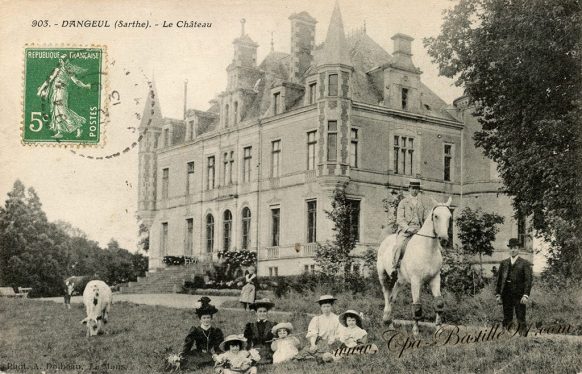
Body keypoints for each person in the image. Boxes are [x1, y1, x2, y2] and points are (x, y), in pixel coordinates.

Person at [390, 179, 436, 276]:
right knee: (399, 246)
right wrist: (408, 228)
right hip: (405, 231)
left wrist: (424, 229)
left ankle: (433, 267)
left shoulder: (421, 204)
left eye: (417, 189)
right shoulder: (403, 202)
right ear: (409, 189)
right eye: (413, 188)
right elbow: (400, 219)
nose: (415, 191)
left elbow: (424, 219)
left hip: (419, 231)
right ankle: (394, 266)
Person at [36, 58, 91, 138]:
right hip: (55, 92)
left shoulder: (69, 70)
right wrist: (41, 89)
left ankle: (78, 128)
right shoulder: (57, 70)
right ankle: (60, 131)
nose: (66, 62)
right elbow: (49, 80)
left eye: (66, 61)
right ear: (61, 62)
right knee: (56, 110)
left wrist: (85, 86)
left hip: (62, 92)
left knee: (63, 110)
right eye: (64, 61)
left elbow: (76, 81)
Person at [496, 238, 533, 335]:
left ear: (518, 249)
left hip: (519, 295)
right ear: (509, 249)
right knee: (507, 317)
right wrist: (498, 294)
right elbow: (499, 280)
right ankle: (507, 337)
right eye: (511, 248)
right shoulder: (504, 263)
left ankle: (523, 338)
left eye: (515, 248)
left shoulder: (524, 263)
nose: (513, 250)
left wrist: (525, 295)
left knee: (521, 317)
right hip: (506, 294)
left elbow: (528, 280)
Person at [180, 297, 224, 370]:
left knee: (219, 360)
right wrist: (183, 353)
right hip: (199, 353)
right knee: (189, 361)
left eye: (208, 318)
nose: (206, 320)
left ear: (211, 318)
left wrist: (218, 354)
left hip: (210, 354)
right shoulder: (196, 330)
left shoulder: (215, 331)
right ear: (200, 319)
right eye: (204, 318)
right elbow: (188, 344)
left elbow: (217, 346)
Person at [296, 295, 341, 362]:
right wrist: (313, 344)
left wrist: (334, 339)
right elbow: (313, 333)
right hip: (319, 342)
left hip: (331, 342)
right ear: (321, 307)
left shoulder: (337, 319)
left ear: (331, 306)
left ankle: (322, 357)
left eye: (328, 306)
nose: (326, 309)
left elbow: (340, 332)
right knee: (305, 353)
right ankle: (313, 357)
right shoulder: (317, 319)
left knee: (329, 353)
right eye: (324, 307)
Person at [243, 298, 276, 364]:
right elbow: (248, 341)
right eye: (260, 311)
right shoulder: (250, 326)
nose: (262, 314)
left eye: (264, 311)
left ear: (267, 312)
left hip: (268, 349)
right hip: (255, 349)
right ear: (256, 313)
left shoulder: (273, 325)